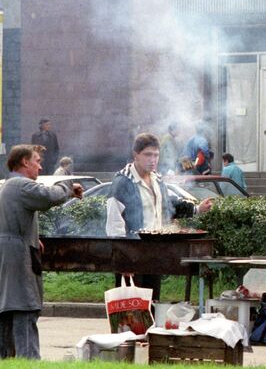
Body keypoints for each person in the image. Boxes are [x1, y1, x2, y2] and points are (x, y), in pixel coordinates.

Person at [106, 133, 213, 300]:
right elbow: (114, 222)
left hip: (155, 253)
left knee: (152, 305)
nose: (153, 159)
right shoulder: (122, 182)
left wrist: (197, 209)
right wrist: (123, 261)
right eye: (148, 155)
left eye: (156, 155)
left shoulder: (157, 179)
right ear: (136, 155)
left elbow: (168, 204)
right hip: (132, 255)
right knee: (130, 312)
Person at [0, 145, 83, 359]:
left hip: (12, 252)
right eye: (36, 160)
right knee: (24, 308)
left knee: (8, 312)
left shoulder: (10, 186)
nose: (40, 165)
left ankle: (8, 361)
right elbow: (48, 196)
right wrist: (68, 187)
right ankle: (29, 362)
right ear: (25, 162)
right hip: (17, 256)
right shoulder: (20, 185)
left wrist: (32, 237)